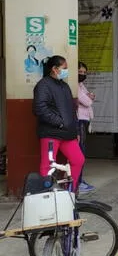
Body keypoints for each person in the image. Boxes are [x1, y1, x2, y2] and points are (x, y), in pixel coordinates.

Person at [33, 56, 84, 192]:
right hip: (51, 134)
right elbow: (40, 109)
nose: (66, 71)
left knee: (78, 160)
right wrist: (60, 123)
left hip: (68, 134)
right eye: (64, 68)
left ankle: (70, 192)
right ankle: (46, 195)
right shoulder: (43, 85)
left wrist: (76, 131)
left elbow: (72, 110)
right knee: (47, 166)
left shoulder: (64, 86)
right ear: (54, 69)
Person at [76, 61, 96, 193]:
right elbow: (87, 101)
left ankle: (80, 180)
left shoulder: (81, 85)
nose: (82, 74)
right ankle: (78, 182)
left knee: (81, 151)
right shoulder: (75, 86)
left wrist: (89, 97)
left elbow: (89, 98)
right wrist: (89, 98)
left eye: (84, 72)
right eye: (80, 72)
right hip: (79, 121)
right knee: (80, 152)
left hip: (85, 119)